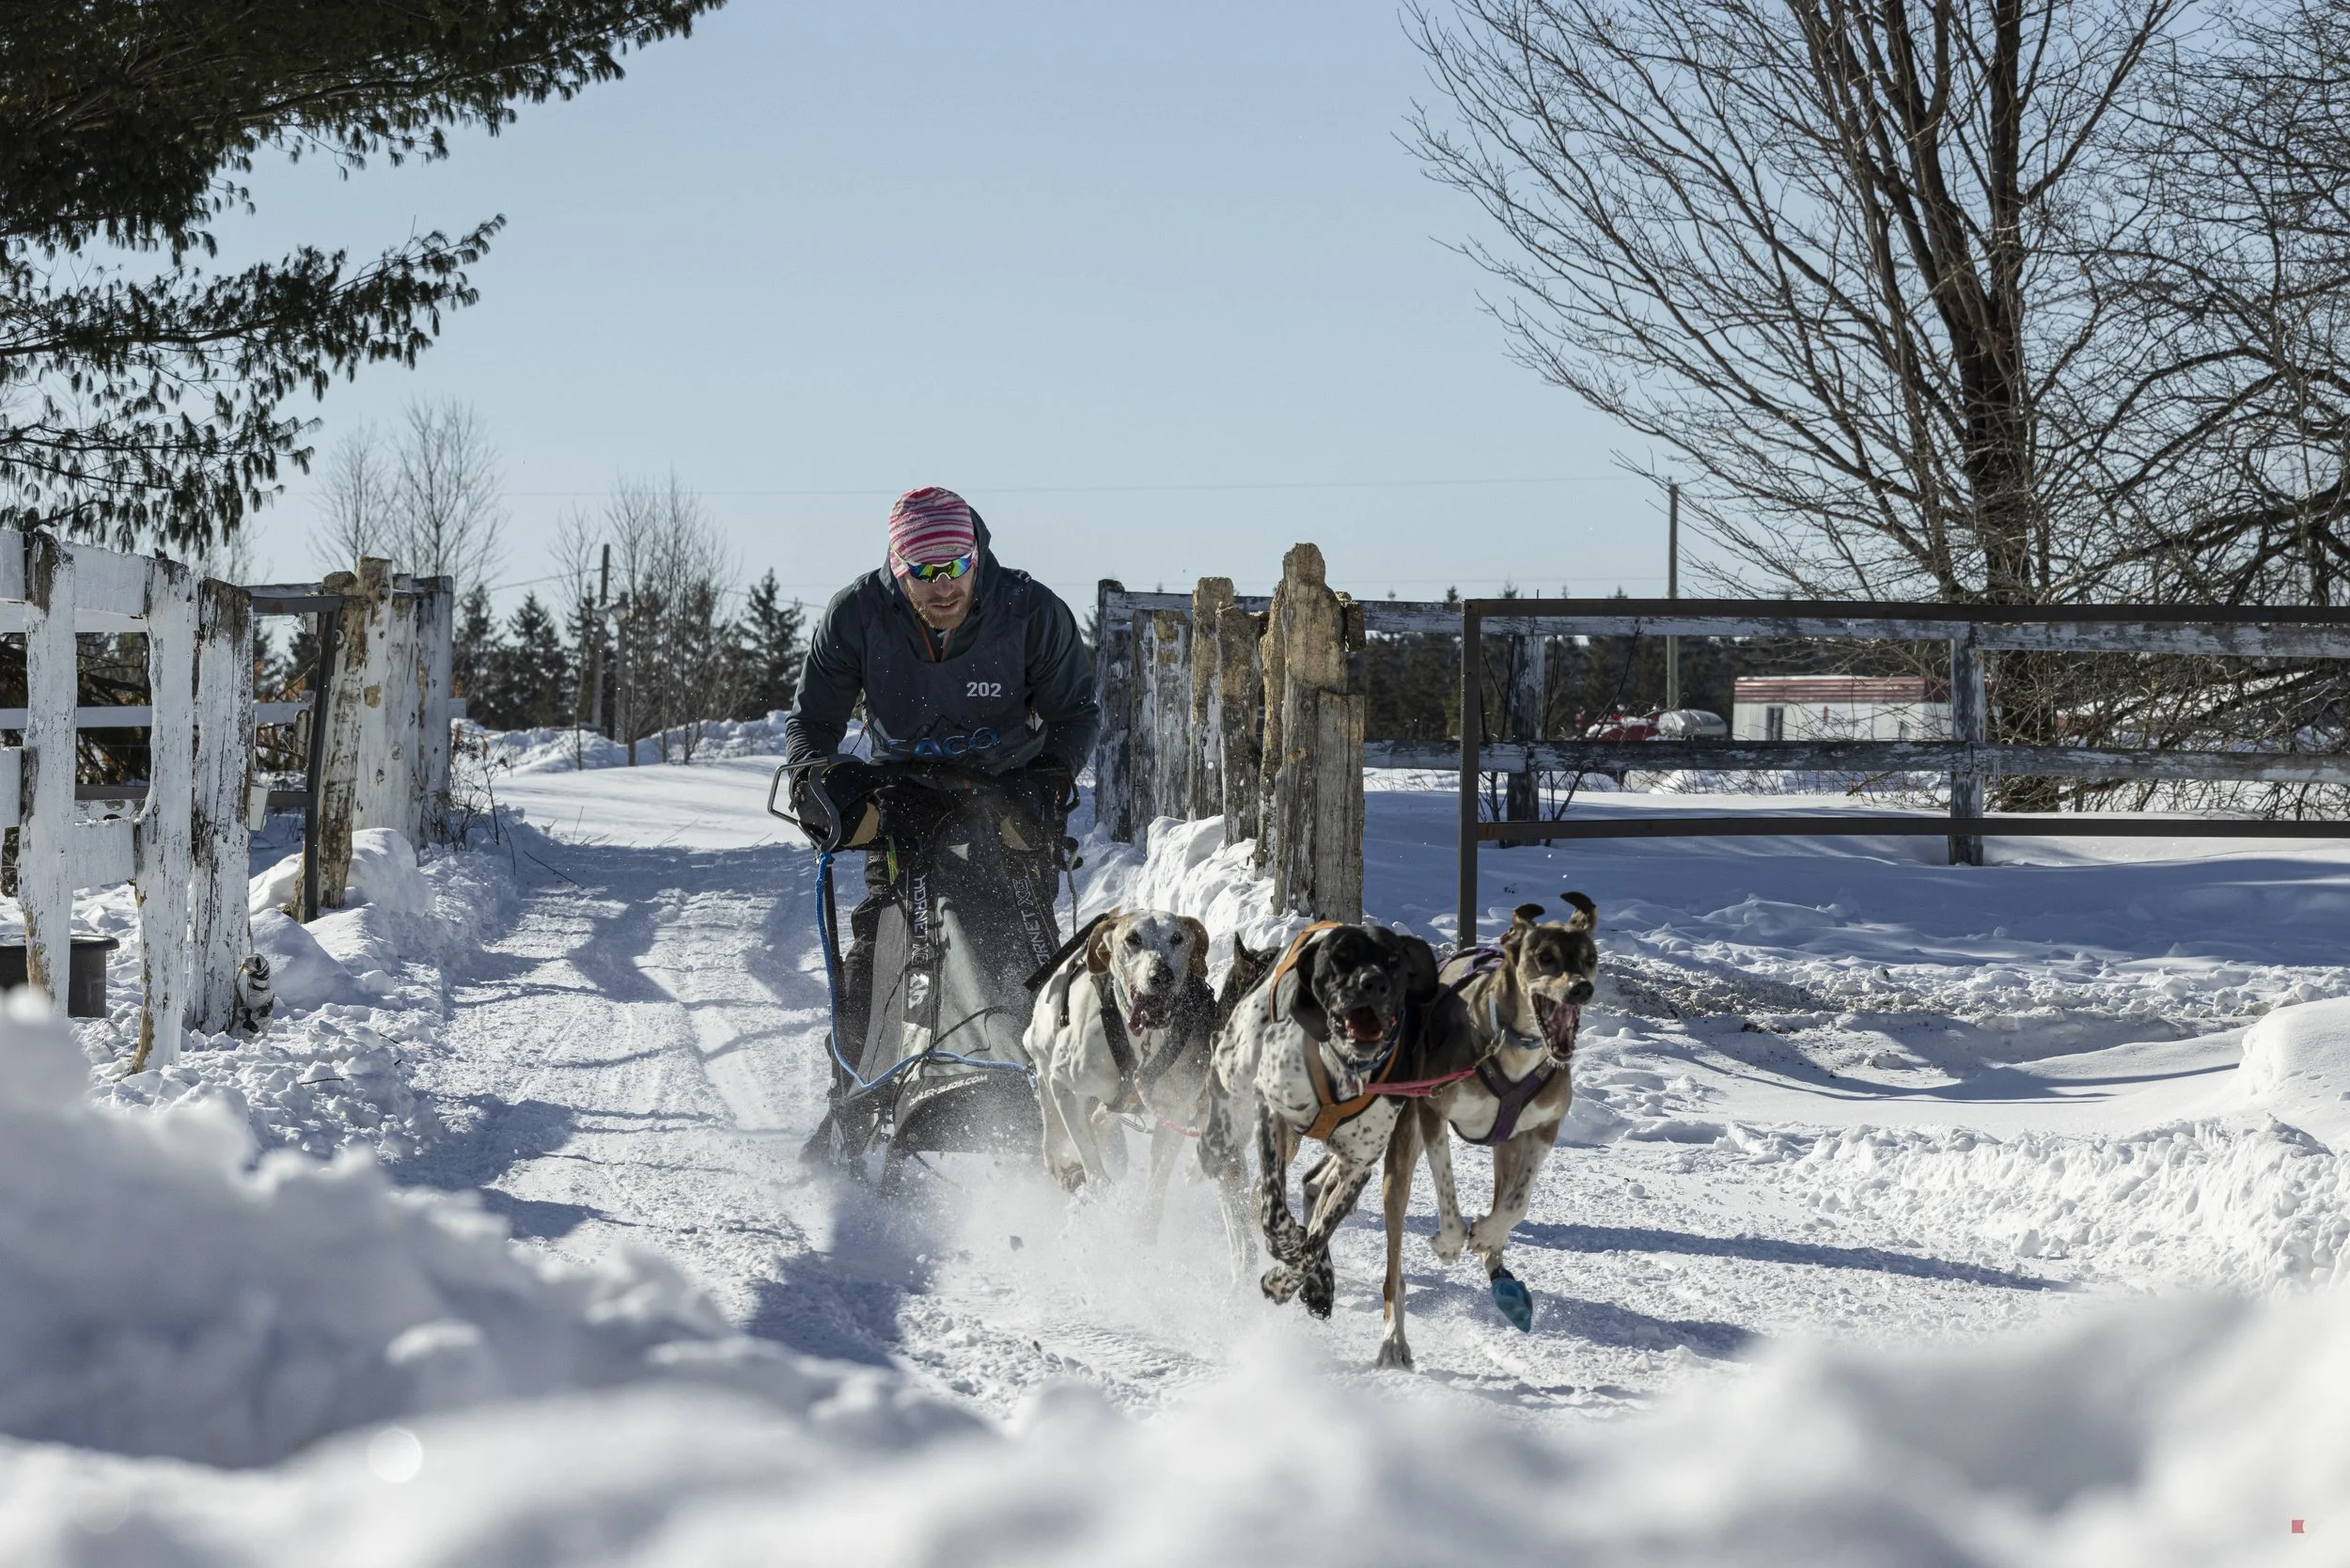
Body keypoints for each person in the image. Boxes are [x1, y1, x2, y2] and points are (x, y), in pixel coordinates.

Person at [784, 486, 1099, 1157]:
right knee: (881, 953)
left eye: (955, 564)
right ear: (899, 572)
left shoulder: (1029, 611)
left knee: (1021, 949)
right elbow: (811, 722)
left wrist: (1050, 776)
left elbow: (1077, 712)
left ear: (975, 556)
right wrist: (820, 778)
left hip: (1008, 803)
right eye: (923, 571)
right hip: (903, 805)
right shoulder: (857, 617)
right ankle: (857, 1101)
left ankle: (1049, 1097)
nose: (942, 584)